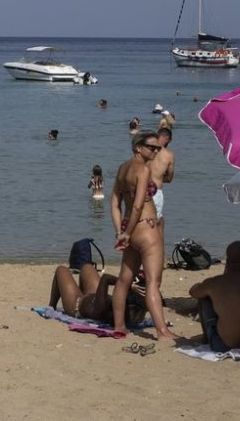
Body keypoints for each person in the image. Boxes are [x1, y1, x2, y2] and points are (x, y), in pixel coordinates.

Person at [109, 131, 175, 340]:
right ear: (138, 147)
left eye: (158, 147)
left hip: (130, 229)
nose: (156, 150)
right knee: (152, 282)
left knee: (123, 281)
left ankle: (119, 326)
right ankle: (162, 331)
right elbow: (138, 205)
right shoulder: (143, 169)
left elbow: (114, 202)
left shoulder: (123, 168)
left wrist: (121, 231)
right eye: (151, 147)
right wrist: (125, 233)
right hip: (146, 228)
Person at [188, 241, 240, 351]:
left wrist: (203, 286)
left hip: (222, 346)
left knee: (204, 299)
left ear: (227, 262)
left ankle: (206, 339)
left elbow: (193, 292)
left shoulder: (215, 283)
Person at [48, 263, 146, 325]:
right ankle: (79, 290)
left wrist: (127, 284)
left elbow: (106, 278)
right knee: (87, 266)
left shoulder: (104, 306)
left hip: (76, 304)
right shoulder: (138, 310)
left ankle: (51, 307)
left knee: (61, 270)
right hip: (94, 298)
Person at [147, 127, 175, 240]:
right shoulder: (168, 155)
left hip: (140, 190)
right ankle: (159, 251)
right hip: (155, 192)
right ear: (167, 139)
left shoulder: (145, 151)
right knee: (157, 222)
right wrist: (159, 178)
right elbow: (169, 178)